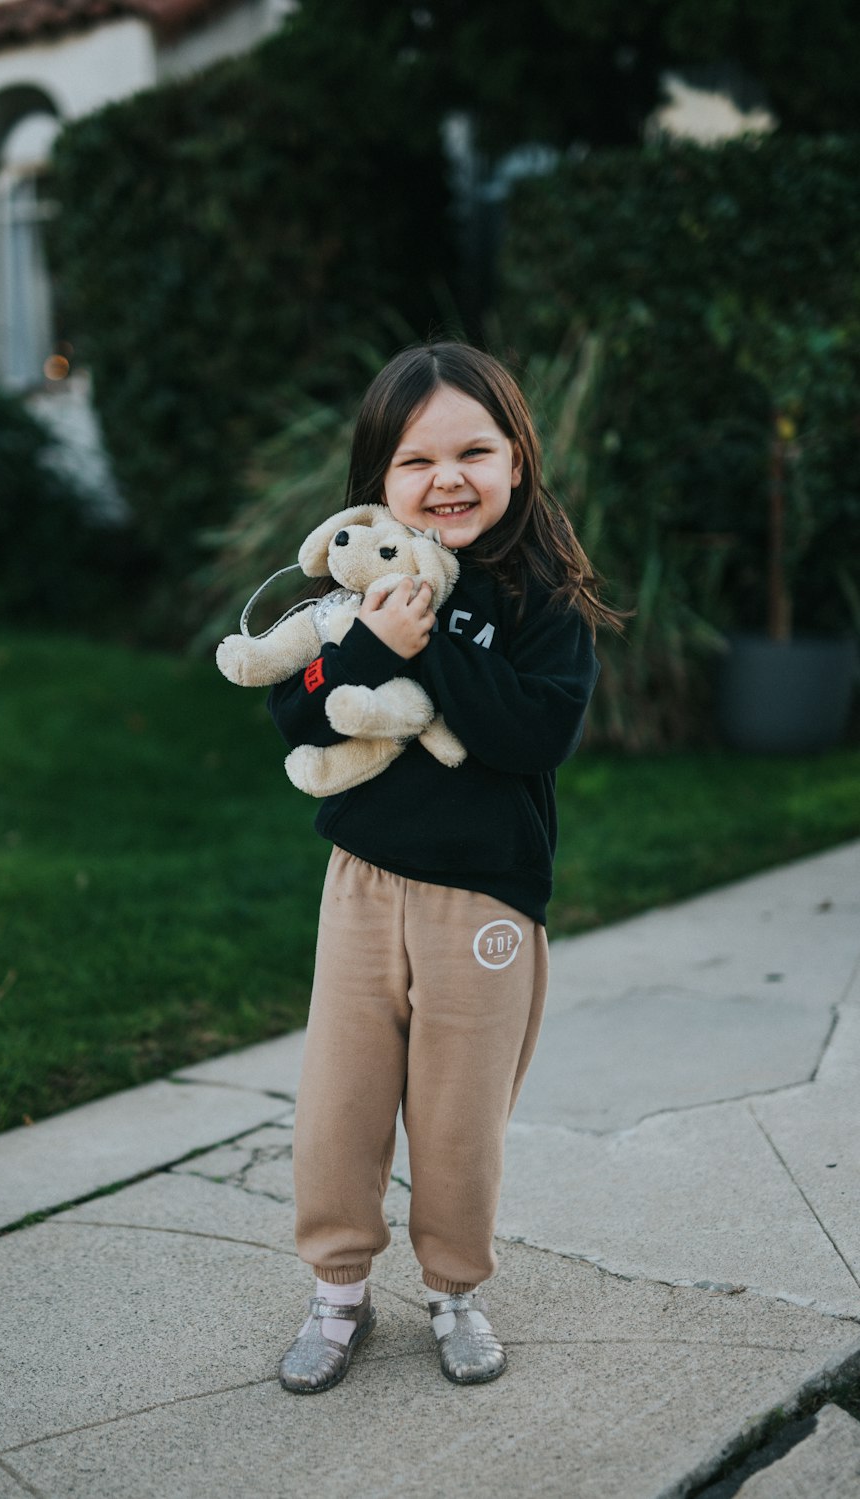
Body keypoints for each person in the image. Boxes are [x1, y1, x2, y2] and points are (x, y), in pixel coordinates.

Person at [266, 341, 623, 1393]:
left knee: (459, 1114)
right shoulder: (351, 584)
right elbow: (299, 705)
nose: (447, 478)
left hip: (486, 898)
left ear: (517, 458)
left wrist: (428, 650)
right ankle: (337, 1292)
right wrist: (371, 644)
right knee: (340, 1098)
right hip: (364, 886)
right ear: (379, 479)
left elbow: (531, 731)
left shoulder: (543, 601)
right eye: (416, 460)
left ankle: (456, 1289)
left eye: (475, 449)